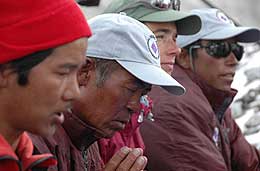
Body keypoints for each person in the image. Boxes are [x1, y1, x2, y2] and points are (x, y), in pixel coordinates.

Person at [30, 13, 186, 171]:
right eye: (131, 89)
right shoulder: (34, 140)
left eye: (143, 94)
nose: (135, 106)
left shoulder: (87, 139)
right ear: (84, 72)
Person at [140, 8, 260, 171]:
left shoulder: (214, 100)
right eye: (220, 48)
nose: (233, 60)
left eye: (237, 50)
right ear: (183, 57)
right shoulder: (174, 107)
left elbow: (251, 163)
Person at [99, 0, 202, 163]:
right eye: (159, 37)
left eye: (175, 38)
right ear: (119, 37)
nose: (176, 49)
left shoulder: (137, 109)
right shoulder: (95, 113)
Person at [0, 0, 92, 170]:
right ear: (5, 71)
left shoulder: (30, 161)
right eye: (63, 73)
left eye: (77, 73)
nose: (74, 93)